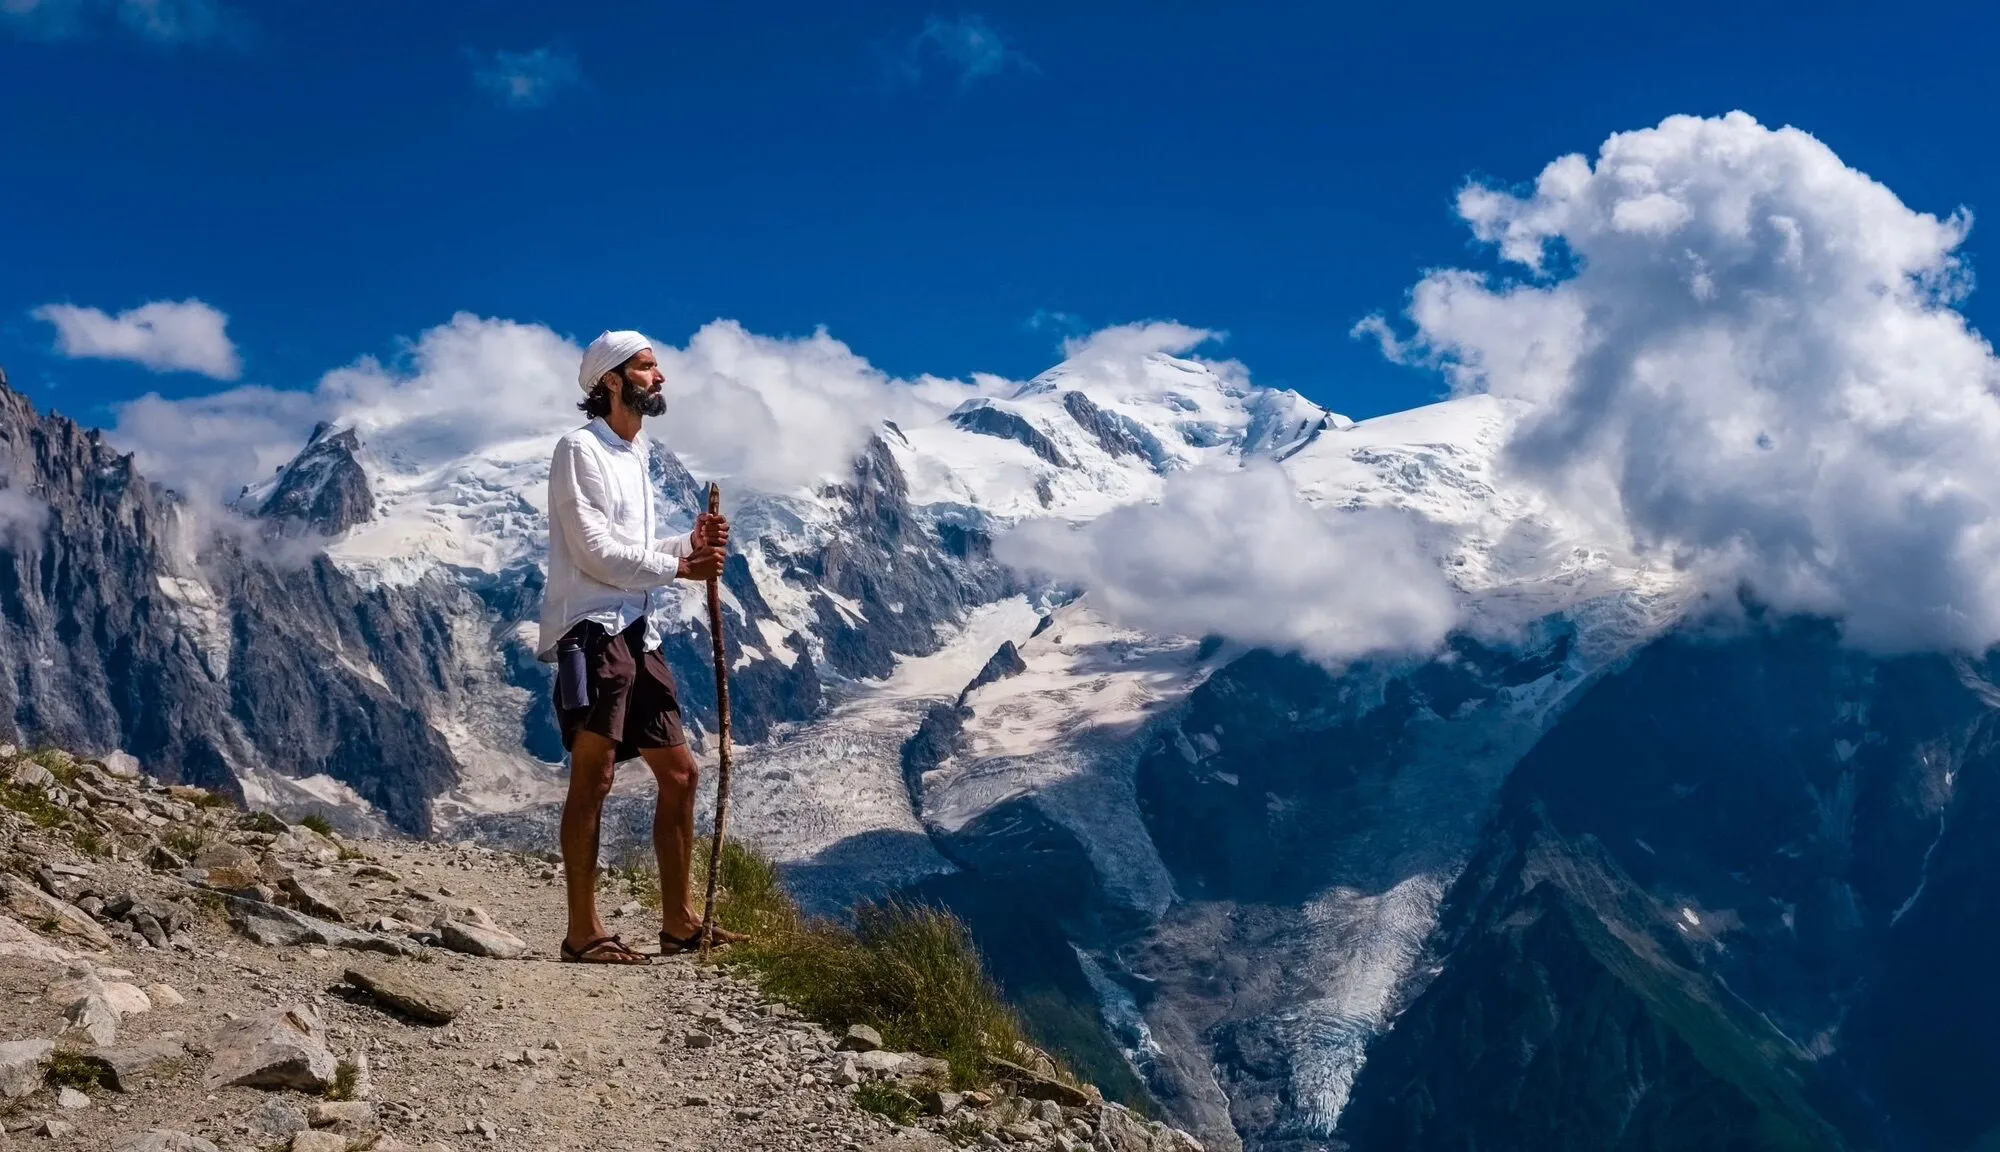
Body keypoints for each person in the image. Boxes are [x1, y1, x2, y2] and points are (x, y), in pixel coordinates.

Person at [539, 329, 745, 964]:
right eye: (648, 368)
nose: (659, 379)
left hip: (637, 629)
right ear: (609, 380)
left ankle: (680, 921)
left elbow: (639, 555)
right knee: (594, 776)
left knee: (680, 774)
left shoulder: (636, 452)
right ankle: (582, 932)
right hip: (594, 631)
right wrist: (683, 569)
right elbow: (594, 553)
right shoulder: (579, 450)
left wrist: (689, 542)